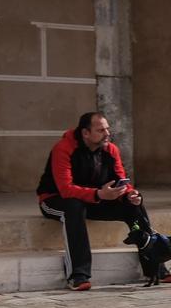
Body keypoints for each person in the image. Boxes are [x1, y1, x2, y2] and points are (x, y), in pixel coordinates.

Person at [36, 111, 162, 290]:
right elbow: (65, 190)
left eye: (107, 129)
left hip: (94, 199)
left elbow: (122, 180)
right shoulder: (63, 148)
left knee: (134, 206)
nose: (107, 134)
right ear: (85, 133)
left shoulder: (111, 149)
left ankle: (155, 267)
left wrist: (130, 195)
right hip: (54, 200)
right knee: (73, 206)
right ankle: (78, 275)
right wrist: (98, 195)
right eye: (101, 130)